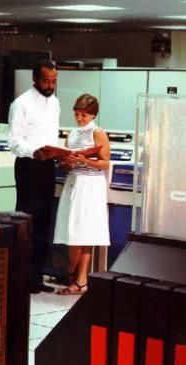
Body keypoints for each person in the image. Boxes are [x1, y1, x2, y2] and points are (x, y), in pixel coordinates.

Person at [8, 60, 61, 293]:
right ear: (35, 79)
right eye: (46, 81)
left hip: (48, 166)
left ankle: (37, 277)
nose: (50, 85)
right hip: (28, 165)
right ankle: (22, 278)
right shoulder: (21, 104)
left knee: (44, 222)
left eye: (53, 81)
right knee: (27, 221)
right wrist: (34, 152)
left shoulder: (55, 103)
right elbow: (14, 141)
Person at [53, 93, 110, 295]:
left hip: (91, 185)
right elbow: (65, 163)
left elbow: (105, 163)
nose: (79, 119)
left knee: (85, 232)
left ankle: (79, 278)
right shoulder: (72, 134)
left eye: (83, 115)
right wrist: (66, 162)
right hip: (73, 183)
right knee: (72, 230)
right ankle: (75, 275)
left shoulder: (98, 133)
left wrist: (84, 160)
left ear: (93, 114)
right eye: (77, 114)